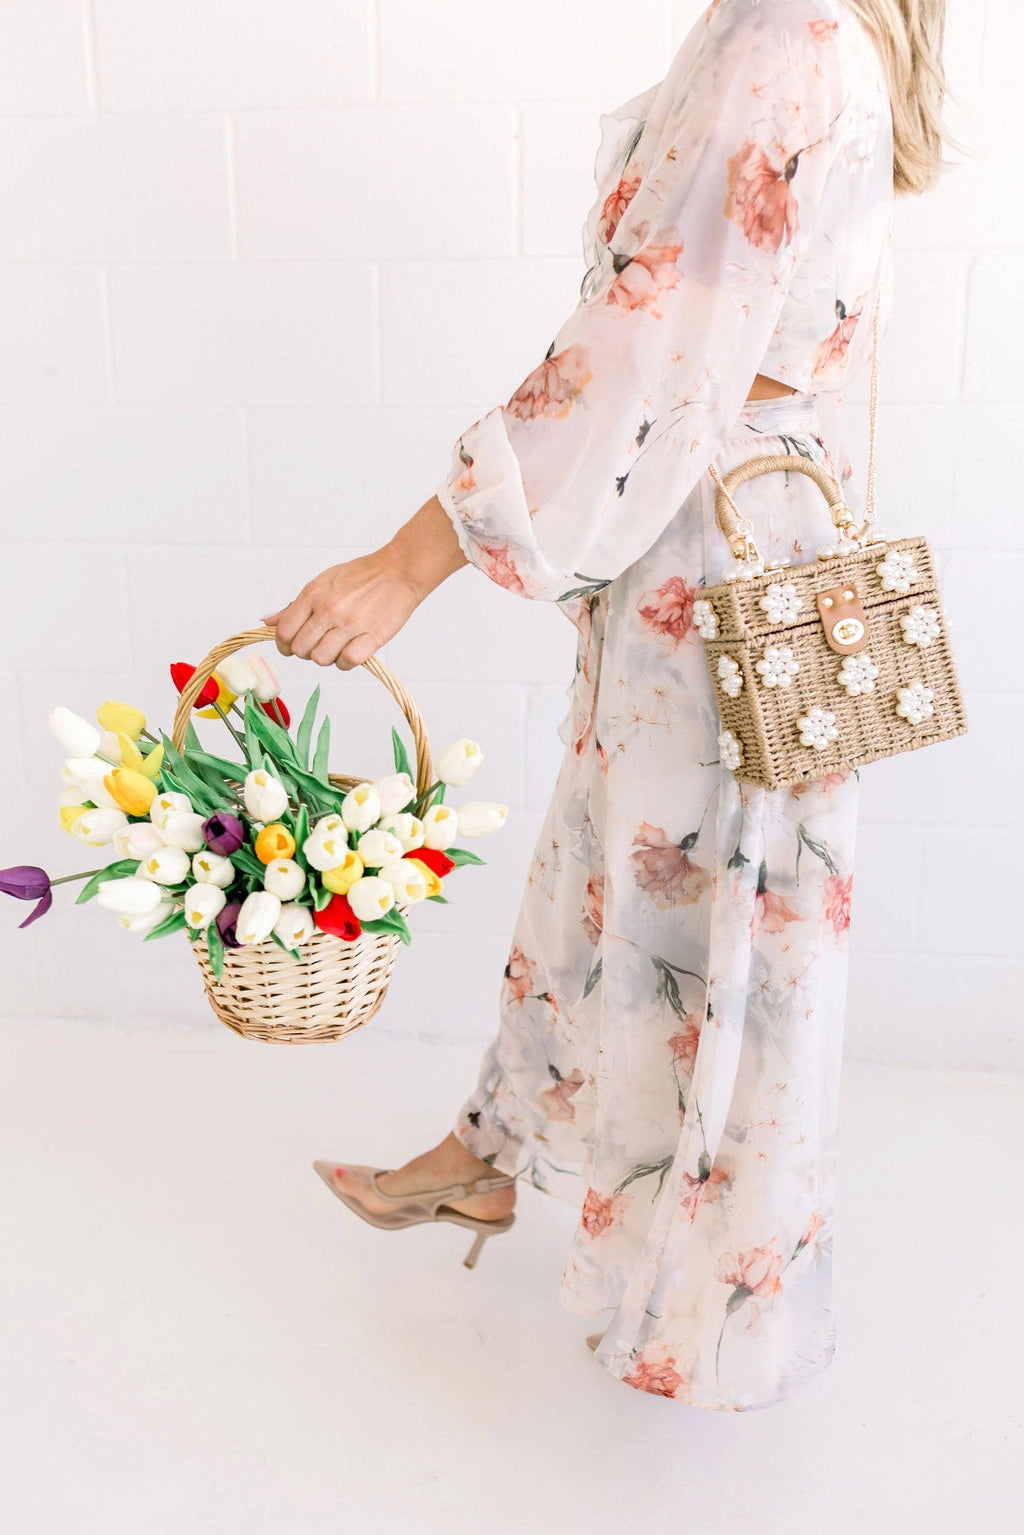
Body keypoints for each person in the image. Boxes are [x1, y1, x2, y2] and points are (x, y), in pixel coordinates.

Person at [264, 0, 956, 1412]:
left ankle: (690, 1297)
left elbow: (647, 348)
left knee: (681, 919)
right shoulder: (819, 27)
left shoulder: (790, 37)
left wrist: (410, 563)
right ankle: (487, 1152)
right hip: (747, 523)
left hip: (718, 548)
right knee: (618, 866)